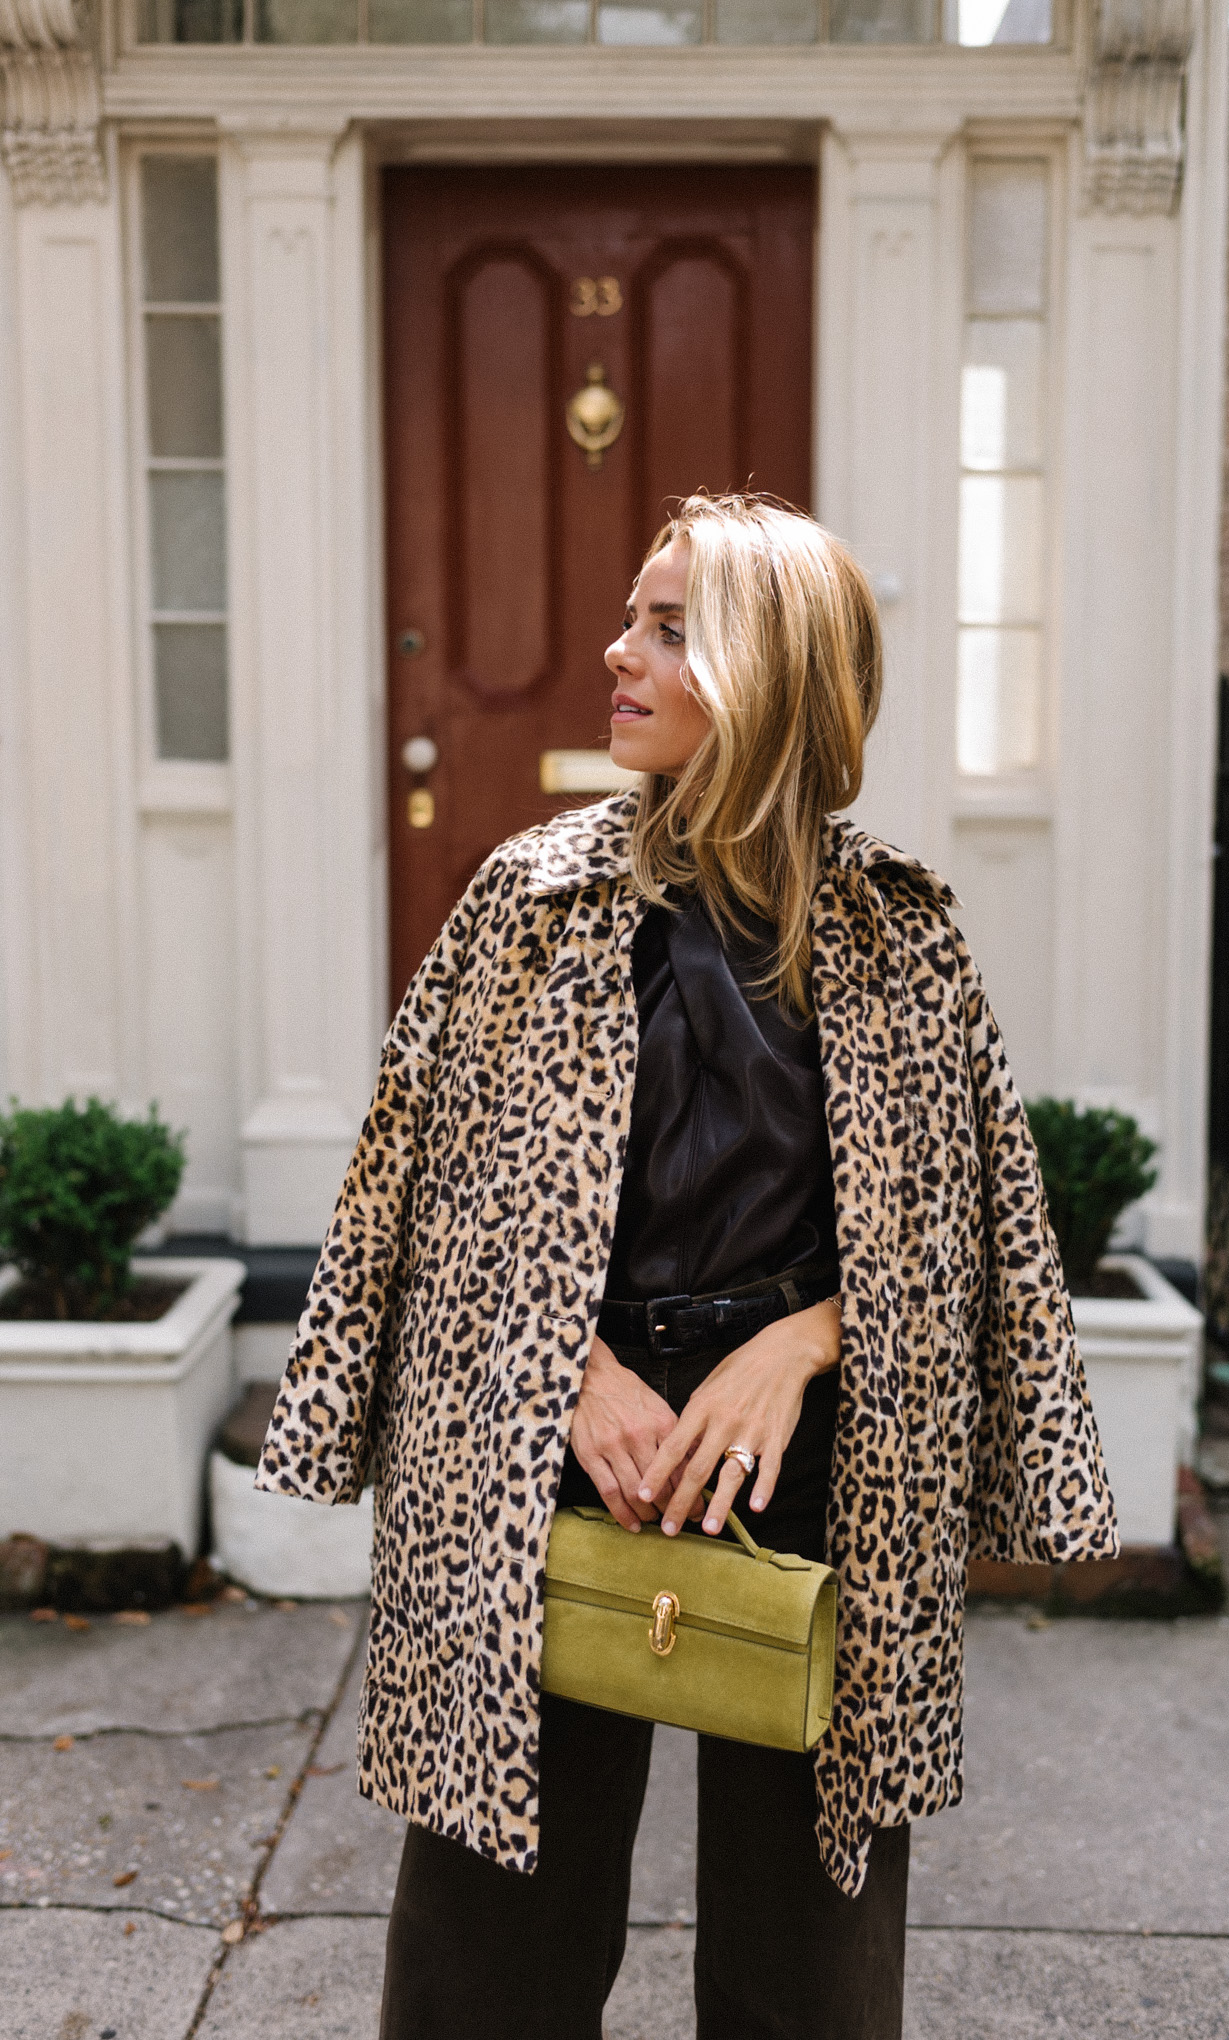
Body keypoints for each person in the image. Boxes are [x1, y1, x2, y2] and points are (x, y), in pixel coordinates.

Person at [257, 493, 1119, 2040]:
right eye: (630, 618)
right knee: (488, 1940)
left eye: (666, 626)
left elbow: (970, 1245)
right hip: (553, 1452)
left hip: (811, 1460)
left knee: (811, 1949)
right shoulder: (527, 905)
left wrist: (801, 1344)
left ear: (771, 668)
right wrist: (575, 1374)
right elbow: (423, 1196)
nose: (616, 651)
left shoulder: (903, 933)